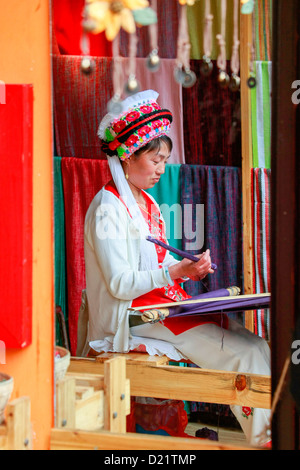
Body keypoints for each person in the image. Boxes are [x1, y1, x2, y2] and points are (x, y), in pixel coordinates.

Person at [83, 89, 271, 447]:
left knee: (257, 345)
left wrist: (187, 267)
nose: (161, 170)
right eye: (154, 161)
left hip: (157, 304)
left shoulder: (147, 202)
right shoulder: (108, 208)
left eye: (165, 161)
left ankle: (270, 431)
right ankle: (264, 440)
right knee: (243, 353)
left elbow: (157, 260)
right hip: (132, 316)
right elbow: (121, 284)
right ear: (127, 157)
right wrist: (175, 273)